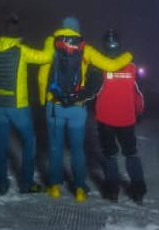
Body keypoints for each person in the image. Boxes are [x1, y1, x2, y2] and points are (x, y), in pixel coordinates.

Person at [37, 16, 132, 202]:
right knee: (77, 149)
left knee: (55, 148)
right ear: (77, 30)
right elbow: (111, 65)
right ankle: (80, 189)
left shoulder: (52, 44)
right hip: (77, 108)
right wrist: (128, 55)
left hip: (54, 105)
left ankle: (54, 187)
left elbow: (42, 76)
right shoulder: (84, 48)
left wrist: (45, 100)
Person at [0, 14, 53, 194]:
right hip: (18, 106)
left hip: (0, 105)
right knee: (29, 141)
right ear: (18, 34)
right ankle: (27, 183)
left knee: (1, 144)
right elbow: (46, 57)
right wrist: (49, 40)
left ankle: (1, 184)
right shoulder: (21, 51)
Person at [92, 29, 147, 203]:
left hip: (105, 118)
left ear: (104, 45)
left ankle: (112, 190)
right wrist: (138, 112)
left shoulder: (100, 66)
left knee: (110, 155)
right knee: (131, 154)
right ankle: (138, 191)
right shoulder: (131, 67)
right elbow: (138, 94)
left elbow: (94, 92)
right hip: (126, 119)